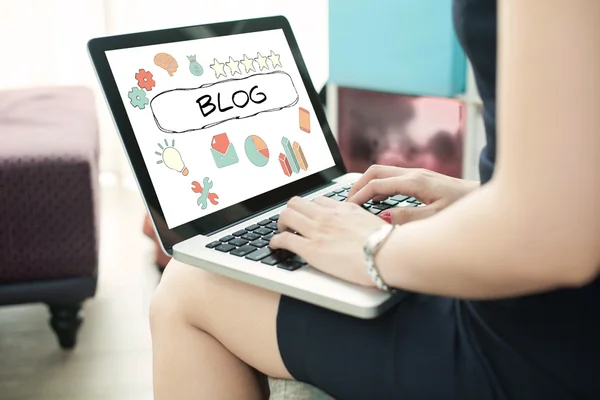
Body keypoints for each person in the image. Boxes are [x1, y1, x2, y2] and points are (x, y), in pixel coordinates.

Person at [149, 0, 600, 399]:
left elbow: (554, 240)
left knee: (188, 285)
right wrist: (482, 197)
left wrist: (373, 250)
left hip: (538, 349)